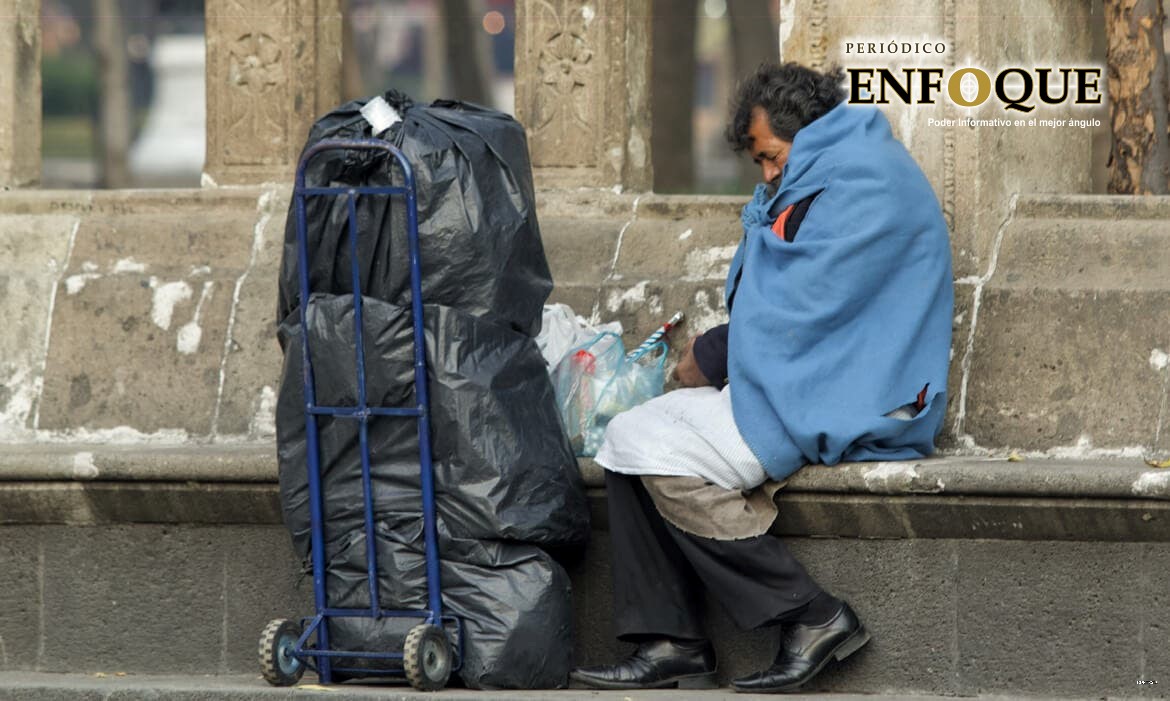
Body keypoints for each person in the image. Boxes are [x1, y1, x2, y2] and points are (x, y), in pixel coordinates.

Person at [569, 62, 954, 693]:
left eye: (773, 157)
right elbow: (799, 296)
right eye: (761, 165)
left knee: (646, 445)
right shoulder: (841, 169)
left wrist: (713, 357)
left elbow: (811, 304)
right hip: (813, 378)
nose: (769, 174)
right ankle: (672, 643)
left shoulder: (862, 182)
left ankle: (811, 614)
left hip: (853, 394)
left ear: (809, 132)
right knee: (627, 439)